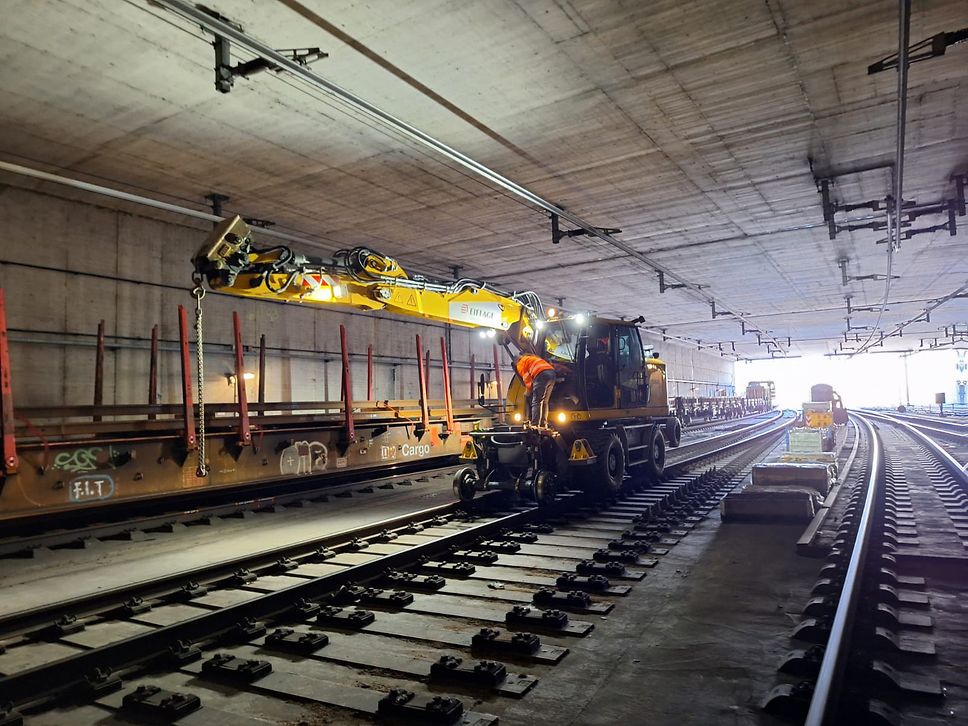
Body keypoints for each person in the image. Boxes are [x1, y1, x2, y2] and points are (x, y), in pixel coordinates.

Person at [513, 353, 556, 427]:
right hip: (552, 374)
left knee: (536, 401)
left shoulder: (520, 364)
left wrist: (528, 391)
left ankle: (535, 424)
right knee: (545, 401)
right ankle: (543, 423)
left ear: (516, 361)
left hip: (541, 374)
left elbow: (527, 378)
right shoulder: (530, 358)